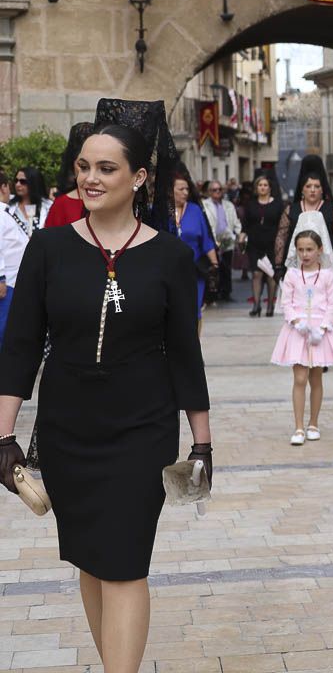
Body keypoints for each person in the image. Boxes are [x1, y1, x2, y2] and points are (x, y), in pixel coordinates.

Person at [0, 119, 211, 673]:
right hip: (69, 431)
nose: (90, 179)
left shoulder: (169, 256)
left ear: (140, 177)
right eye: (84, 167)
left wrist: (202, 443)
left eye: (106, 168)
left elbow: (186, 354)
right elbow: (19, 347)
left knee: (124, 563)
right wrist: (4, 435)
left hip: (143, 429)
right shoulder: (47, 248)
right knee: (92, 562)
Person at [272, 229, 333, 446]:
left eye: (309, 250)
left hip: (320, 331)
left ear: (319, 250)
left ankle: (313, 423)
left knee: (316, 378)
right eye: (301, 250)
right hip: (298, 330)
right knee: (299, 378)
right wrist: (297, 322)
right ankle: (298, 426)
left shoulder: (328, 275)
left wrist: (323, 328)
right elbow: (286, 302)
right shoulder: (292, 274)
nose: (305, 254)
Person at [274, 155, 333, 290]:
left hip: (326, 266)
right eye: (308, 186)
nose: (312, 190)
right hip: (297, 266)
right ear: (302, 189)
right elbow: (281, 237)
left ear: (322, 189)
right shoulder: (291, 210)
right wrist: (278, 265)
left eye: (316, 186)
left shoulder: (332, 210)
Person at [168, 172, 219, 321]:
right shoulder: (161, 211)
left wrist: (214, 266)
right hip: (168, 270)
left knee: (194, 312)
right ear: (170, 190)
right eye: (181, 189)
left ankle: (193, 343)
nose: (185, 192)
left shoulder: (195, 210)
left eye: (187, 189)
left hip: (194, 270)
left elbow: (206, 240)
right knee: (172, 312)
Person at [243, 175, 284, 317]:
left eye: (265, 185)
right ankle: (256, 304)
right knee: (256, 274)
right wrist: (242, 234)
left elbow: (282, 224)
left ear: (270, 188)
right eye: (260, 185)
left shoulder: (278, 204)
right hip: (255, 244)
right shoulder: (250, 204)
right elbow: (246, 223)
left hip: (272, 244)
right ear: (256, 188)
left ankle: (270, 305)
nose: (263, 187)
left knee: (271, 275)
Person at [44, 122, 92, 228]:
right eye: (83, 166)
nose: (91, 174)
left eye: (105, 168)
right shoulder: (62, 205)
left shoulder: (114, 202)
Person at [202, 180, 241, 303]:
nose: (217, 192)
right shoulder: (204, 205)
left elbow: (236, 221)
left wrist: (237, 233)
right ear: (209, 192)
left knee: (227, 268)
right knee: (214, 268)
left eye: (219, 189)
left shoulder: (228, 205)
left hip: (227, 239)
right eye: (214, 190)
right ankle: (213, 294)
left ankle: (226, 293)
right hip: (212, 240)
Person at [0, 173, 27, 346]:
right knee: (4, 333)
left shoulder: (5, 212)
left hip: (14, 281)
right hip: (7, 283)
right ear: (4, 187)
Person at [8, 166, 53, 235]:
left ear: (34, 183)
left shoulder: (48, 206)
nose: (18, 184)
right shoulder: (9, 207)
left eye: (23, 181)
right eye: (16, 181)